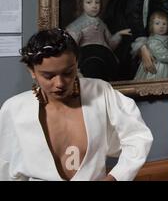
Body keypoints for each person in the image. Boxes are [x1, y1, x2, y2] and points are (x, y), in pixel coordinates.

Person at [0, 28, 153, 181]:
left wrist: (116, 177)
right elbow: (5, 167)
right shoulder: (14, 110)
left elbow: (138, 136)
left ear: (76, 63)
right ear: (32, 71)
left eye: (67, 73)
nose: (59, 83)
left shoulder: (100, 92)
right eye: (49, 76)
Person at [66, 0, 132, 81]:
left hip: (105, 58)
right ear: (81, 4)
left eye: (97, 2)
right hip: (88, 59)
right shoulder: (77, 25)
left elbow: (110, 44)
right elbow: (72, 48)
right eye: (89, 2)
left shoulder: (101, 23)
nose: (94, 6)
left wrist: (119, 34)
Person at [132, 11, 168, 80]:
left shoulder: (167, 38)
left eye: (164, 24)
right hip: (157, 68)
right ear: (151, 25)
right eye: (157, 23)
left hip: (166, 66)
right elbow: (163, 56)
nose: (161, 26)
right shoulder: (153, 41)